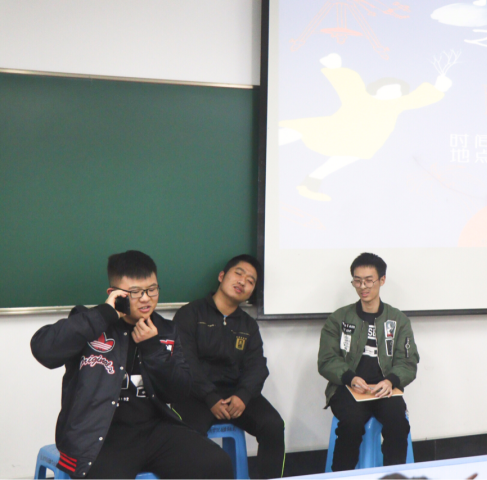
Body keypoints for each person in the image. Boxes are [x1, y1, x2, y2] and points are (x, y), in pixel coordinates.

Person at [30, 250, 233, 480]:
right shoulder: (91, 322)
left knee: (216, 463)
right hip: (100, 436)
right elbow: (43, 350)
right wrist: (104, 314)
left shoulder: (165, 330)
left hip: (154, 430)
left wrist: (153, 348)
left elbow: (179, 391)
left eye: (152, 289)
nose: (146, 298)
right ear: (114, 293)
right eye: (135, 292)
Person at [279, 53, 451, 201]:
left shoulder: (396, 105)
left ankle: (310, 183)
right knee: (298, 130)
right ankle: (267, 144)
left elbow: (417, 99)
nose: (393, 94)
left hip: (359, 141)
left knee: (345, 157)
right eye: (389, 89)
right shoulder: (359, 96)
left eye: (397, 92)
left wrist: (438, 88)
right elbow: (349, 84)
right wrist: (336, 67)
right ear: (376, 89)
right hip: (333, 129)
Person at [173, 254, 285, 480]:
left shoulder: (248, 325)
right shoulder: (190, 314)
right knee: (186, 434)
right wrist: (210, 397)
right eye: (238, 274)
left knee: (273, 425)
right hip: (195, 394)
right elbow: (184, 360)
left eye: (250, 281)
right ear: (222, 276)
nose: (243, 282)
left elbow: (257, 366)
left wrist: (243, 396)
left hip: (235, 395)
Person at [318, 252, 420, 471]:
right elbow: (326, 359)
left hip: (385, 390)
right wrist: (350, 377)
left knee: (398, 423)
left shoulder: (398, 320)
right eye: (357, 281)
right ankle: (341, 477)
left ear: (382, 280)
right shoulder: (339, 318)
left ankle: (394, 475)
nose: (362, 286)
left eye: (368, 280)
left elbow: (408, 362)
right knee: (351, 424)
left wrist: (391, 381)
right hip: (348, 388)